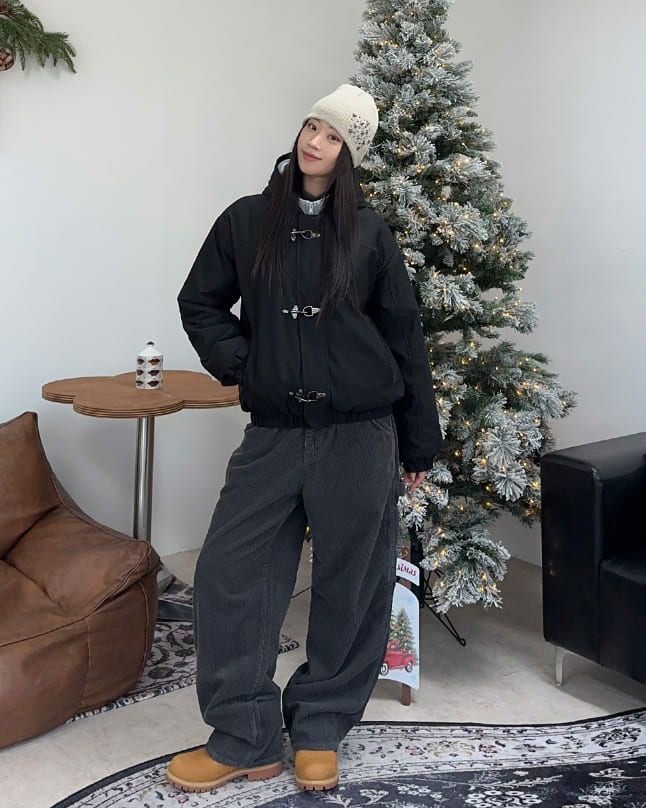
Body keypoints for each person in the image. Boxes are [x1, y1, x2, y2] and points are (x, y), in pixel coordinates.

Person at [166, 84, 441, 794]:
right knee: (229, 575)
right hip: (275, 433)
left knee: (353, 586)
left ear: (351, 154)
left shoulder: (370, 234)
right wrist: (245, 364)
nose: (316, 141)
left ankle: (319, 726)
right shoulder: (246, 219)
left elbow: (404, 337)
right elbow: (200, 302)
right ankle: (244, 737)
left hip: (359, 435)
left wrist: (418, 442)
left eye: (334, 135)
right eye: (313, 125)